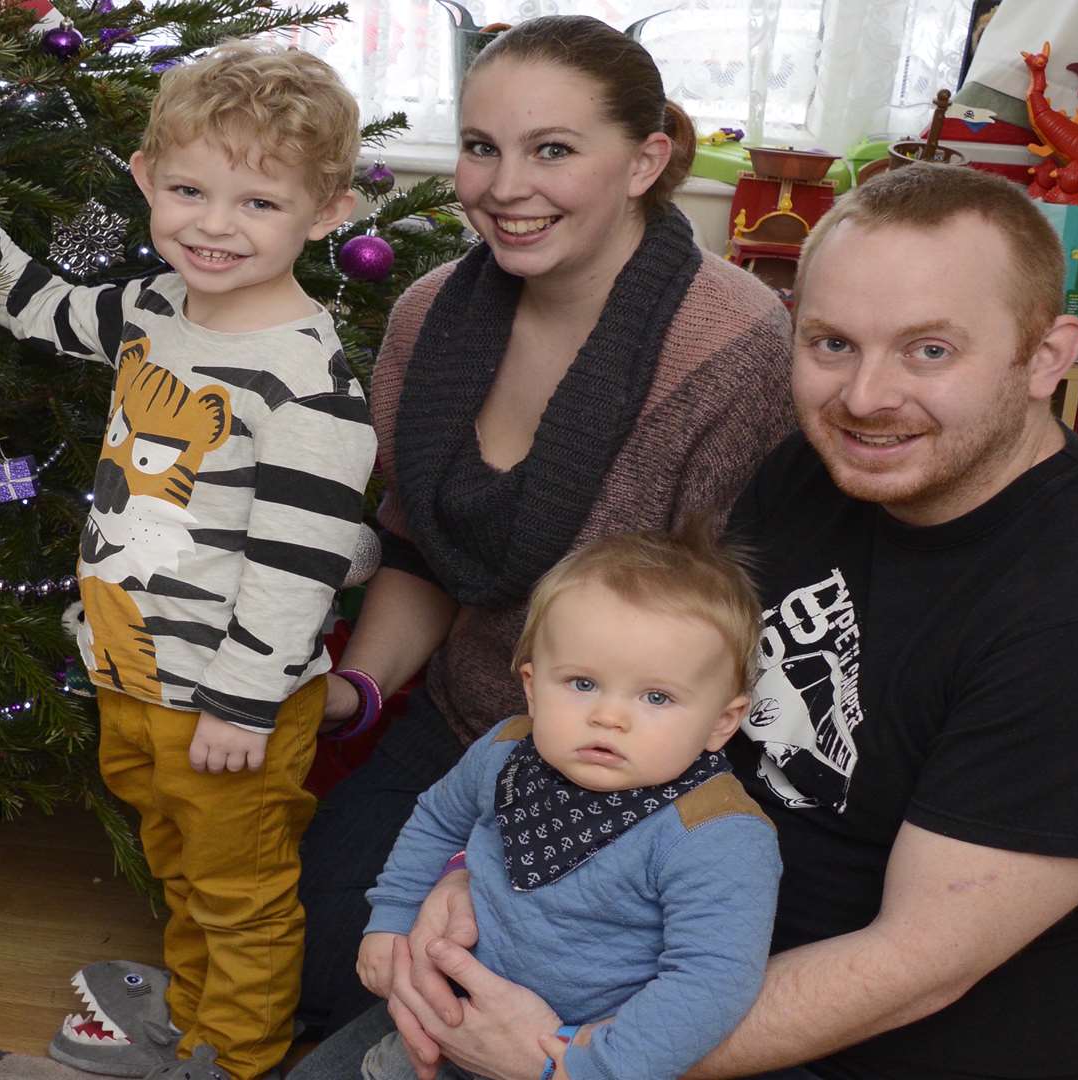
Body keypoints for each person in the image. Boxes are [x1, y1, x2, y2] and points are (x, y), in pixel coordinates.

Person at [298, 163, 1078, 1080]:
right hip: (634, 952)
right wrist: (481, 878)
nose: (864, 398)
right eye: (831, 345)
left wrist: (573, 1059)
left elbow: (911, 974)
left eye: (929, 351)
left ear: (1049, 356)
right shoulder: (817, 474)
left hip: (834, 1049)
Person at [0, 41, 374, 1080]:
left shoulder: (307, 382)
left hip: (229, 705)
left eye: (257, 204)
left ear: (326, 213)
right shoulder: (154, 311)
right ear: (145, 179)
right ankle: (194, 1021)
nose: (214, 225)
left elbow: (296, 568)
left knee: (241, 893)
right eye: (188, 189)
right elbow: (33, 301)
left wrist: (240, 702)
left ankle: (236, 1058)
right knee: (183, 873)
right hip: (132, 676)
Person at [298, 14, 796, 1038]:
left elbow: (726, 627)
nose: (504, 187)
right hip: (469, 733)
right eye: (482, 147)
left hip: (640, 765)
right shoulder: (428, 316)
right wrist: (355, 690)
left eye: (553, 150)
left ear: (646, 161)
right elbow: (418, 547)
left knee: (494, 996)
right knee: (325, 968)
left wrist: (508, 874)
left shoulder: (736, 347)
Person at [357, 527, 781, 1080]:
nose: (609, 716)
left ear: (722, 722)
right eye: (582, 683)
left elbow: (710, 979)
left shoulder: (717, 833)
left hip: (576, 1059)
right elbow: (438, 821)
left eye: (656, 697)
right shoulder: (508, 749)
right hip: (446, 1018)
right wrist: (392, 915)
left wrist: (593, 1068)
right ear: (532, 687)